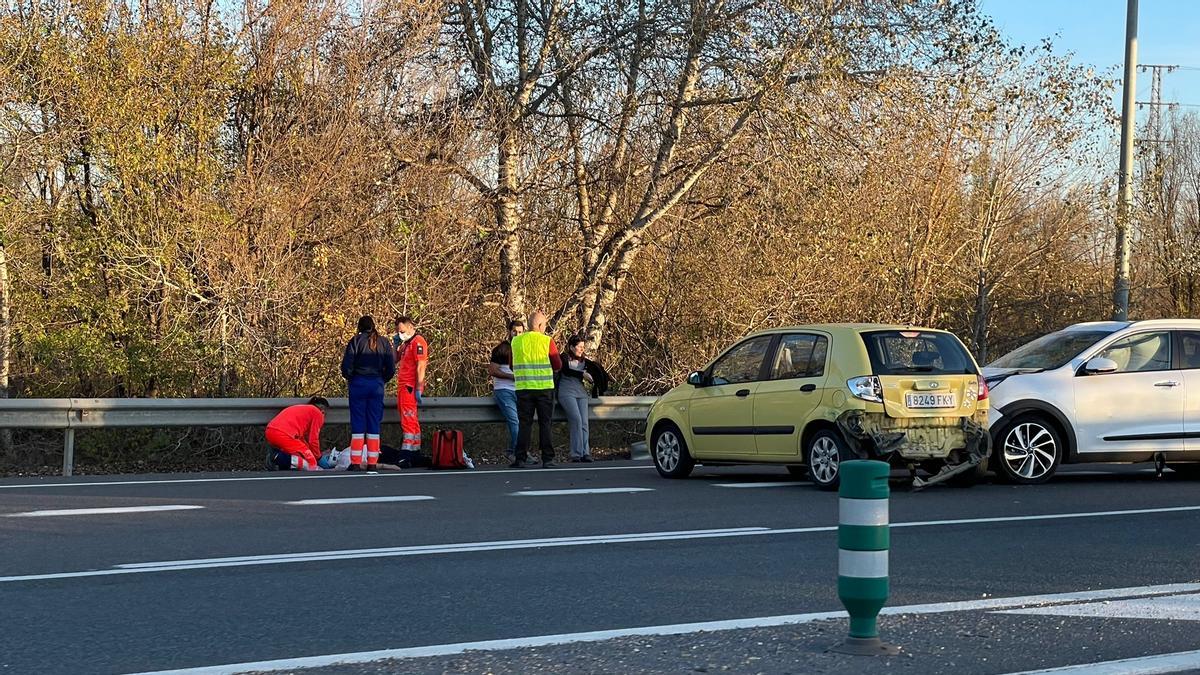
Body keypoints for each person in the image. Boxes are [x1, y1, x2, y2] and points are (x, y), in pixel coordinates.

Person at [341, 315, 396, 470]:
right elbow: (391, 368)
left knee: (358, 422)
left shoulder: (356, 341)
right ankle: (372, 462)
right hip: (376, 384)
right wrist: (381, 380)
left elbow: (346, 366)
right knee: (374, 423)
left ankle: (356, 462)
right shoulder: (384, 342)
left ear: (359, 327)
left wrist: (351, 378)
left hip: (358, 383)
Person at [510, 310, 561, 468]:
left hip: (523, 388)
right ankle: (548, 458)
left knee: (524, 424)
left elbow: (512, 365)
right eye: (545, 324)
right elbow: (557, 364)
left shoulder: (516, 341)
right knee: (545, 424)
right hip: (544, 388)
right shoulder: (547, 341)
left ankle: (520, 458)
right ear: (540, 325)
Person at [556, 336, 610, 462]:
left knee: (584, 422)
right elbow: (566, 370)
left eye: (582, 347)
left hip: (581, 392)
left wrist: (599, 380)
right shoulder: (563, 357)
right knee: (576, 419)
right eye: (579, 347)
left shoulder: (584, 362)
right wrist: (582, 374)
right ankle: (576, 453)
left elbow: (597, 373)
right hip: (566, 391)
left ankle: (586, 452)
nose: (582, 349)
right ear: (571, 347)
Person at [488, 319, 524, 461]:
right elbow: (492, 370)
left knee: (522, 423)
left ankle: (513, 451)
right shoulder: (502, 349)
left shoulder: (524, 348)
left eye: (520, 332)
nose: (517, 334)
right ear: (509, 331)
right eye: (514, 331)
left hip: (520, 391)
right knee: (515, 423)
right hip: (504, 390)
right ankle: (519, 454)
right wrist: (512, 377)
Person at [394, 315, 428, 456]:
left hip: (410, 386)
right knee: (410, 418)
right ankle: (415, 450)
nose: (400, 334)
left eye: (401, 331)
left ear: (410, 327)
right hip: (404, 386)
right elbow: (394, 360)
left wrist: (419, 388)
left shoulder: (418, 342)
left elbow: (421, 366)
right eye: (398, 332)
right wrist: (395, 347)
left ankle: (407, 451)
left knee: (408, 418)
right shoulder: (407, 344)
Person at [266, 397, 330, 471]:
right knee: (311, 462)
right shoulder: (317, 413)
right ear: (322, 409)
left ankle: (281, 463)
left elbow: (301, 441)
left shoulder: (304, 410)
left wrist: (310, 451)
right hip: (283, 434)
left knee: (299, 454)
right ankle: (277, 457)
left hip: (271, 431)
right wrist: (318, 457)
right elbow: (313, 440)